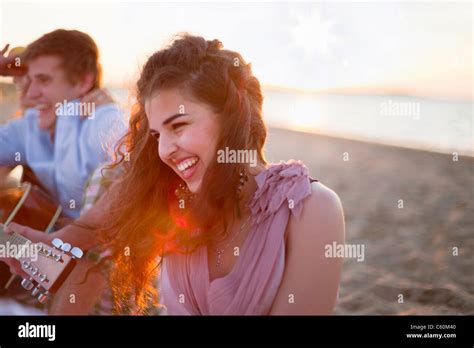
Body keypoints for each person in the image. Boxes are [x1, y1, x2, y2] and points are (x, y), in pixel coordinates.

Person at [5, 34, 345, 315]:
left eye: (178, 126)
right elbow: (98, 224)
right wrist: (50, 247)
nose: (165, 149)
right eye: (156, 135)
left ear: (231, 116)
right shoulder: (171, 202)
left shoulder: (309, 209)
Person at [0, 29, 125, 219]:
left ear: (83, 82)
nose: (31, 93)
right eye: (28, 81)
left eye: (43, 80)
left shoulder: (102, 120)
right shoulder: (30, 126)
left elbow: (140, 171)